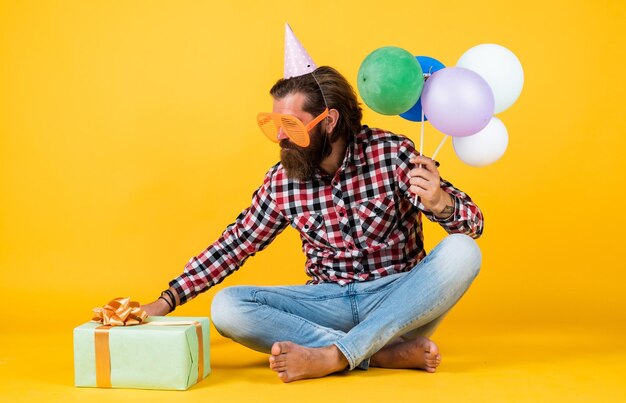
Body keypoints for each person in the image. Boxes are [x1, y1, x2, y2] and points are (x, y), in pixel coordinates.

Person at [141, 65, 484, 383]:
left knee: (464, 251)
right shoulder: (281, 182)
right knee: (227, 307)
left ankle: (336, 355)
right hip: (326, 302)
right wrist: (166, 300)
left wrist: (441, 203)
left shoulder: (391, 154)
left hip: (396, 299)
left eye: (290, 125)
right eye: (273, 125)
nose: (280, 137)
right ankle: (378, 354)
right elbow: (235, 244)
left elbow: (474, 225)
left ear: (329, 120)